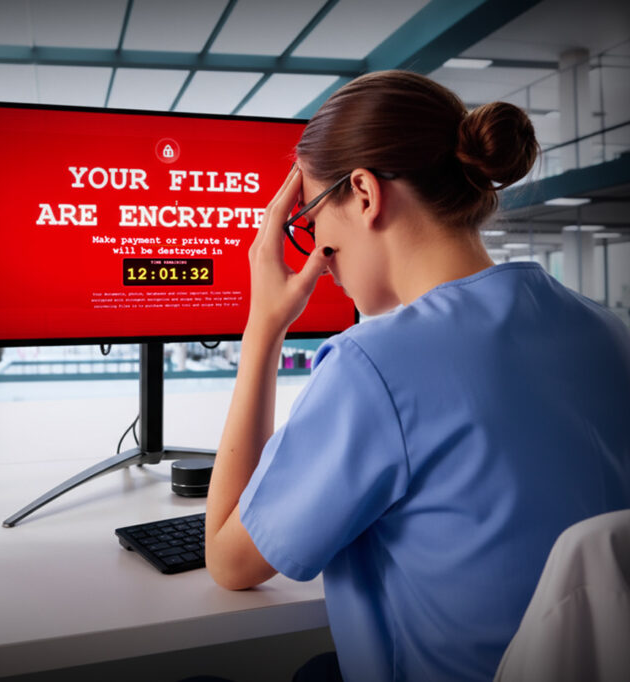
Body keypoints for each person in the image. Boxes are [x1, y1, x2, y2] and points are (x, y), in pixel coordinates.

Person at [204, 70, 630, 682]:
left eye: (310, 220)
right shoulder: (606, 332)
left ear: (364, 193)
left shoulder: (374, 364)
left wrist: (262, 328)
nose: (316, 253)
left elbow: (228, 560)